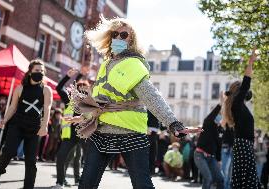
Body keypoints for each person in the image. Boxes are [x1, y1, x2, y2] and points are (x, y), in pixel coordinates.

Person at [65, 17, 201, 189]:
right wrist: (85, 117)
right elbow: (101, 102)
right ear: (109, 37)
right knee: (86, 184)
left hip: (130, 132)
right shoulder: (105, 64)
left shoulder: (133, 64)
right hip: (101, 131)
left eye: (124, 34)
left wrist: (173, 123)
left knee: (142, 184)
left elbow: (152, 97)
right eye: (115, 34)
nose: (118, 38)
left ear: (131, 39)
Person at [0, 59, 53, 189]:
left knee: (31, 161)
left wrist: (44, 126)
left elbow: (47, 109)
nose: (39, 73)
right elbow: (12, 107)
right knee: (8, 152)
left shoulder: (46, 90)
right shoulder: (20, 88)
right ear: (30, 72)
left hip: (34, 128)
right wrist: (4, 120)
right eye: (37, 70)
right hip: (17, 125)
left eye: (42, 71)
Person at [222, 48, 261, 188]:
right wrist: (251, 62)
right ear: (239, 92)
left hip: (244, 146)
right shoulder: (237, 103)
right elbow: (246, 82)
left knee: (244, 181)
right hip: (243, 146)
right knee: (248, 182)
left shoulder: (238, 105)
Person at [52, 68, 86, 189]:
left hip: (84, 135)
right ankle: (59, 182)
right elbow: (59, 88)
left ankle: (83, 183)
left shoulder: (88, 103)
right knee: (61, 157)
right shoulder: (69, 101)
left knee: (85, 160)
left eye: (84, 91)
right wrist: (68, 76)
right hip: (70, 136)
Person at [194, 93, 224, 189]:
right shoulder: (207, 124)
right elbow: (211, 116)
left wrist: (219, 160)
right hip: (200, 155)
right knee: (208, 178)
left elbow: (219, 146)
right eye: (218, 115)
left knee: (220, 179)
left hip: (211, 157)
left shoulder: (220, 130)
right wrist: (220, 104)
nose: (220, 117)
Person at [221, 124, 234, 189]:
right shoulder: (225, 124)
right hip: (226, 148)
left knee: (229, 171)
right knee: (225, 170)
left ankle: (227, 186)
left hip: (231, 148)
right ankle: (225, 186)